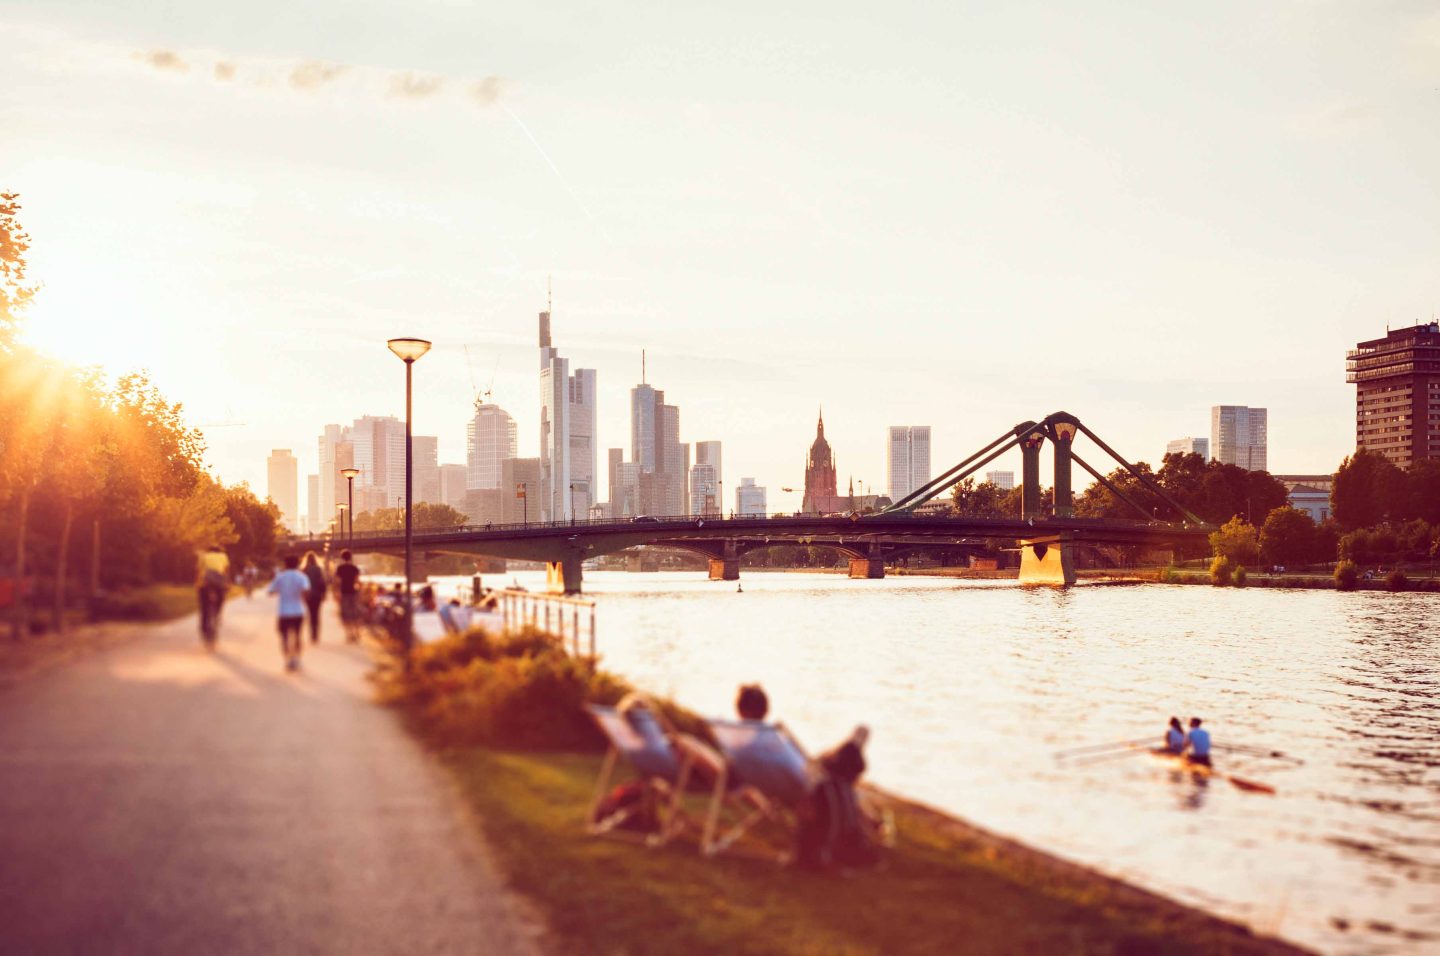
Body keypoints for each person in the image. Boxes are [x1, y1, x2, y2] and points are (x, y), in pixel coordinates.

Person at [266, 554, 310, 672]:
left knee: (284, 637)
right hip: (298, 611)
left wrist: (281, 591)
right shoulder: (302, 577)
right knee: (298, 636)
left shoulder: (280, 577)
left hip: (284, 612)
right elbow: (306, 591)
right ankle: (297, 659)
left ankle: (287, 660)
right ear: (297, 564)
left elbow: (270, 592)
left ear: (285, 564)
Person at [195, 545, 230, 645]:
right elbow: (227, 570)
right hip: (219, 583)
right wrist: (227, 582)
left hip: (205, 584)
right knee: (221, 599)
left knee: (204, 607)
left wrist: (197, 583)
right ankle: (218, 614)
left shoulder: (204, 556)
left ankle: (204, 628)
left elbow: (198, 570)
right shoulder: (223, 556)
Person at [333, 550, 363, 644]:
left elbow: (337, 582)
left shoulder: (340, 568)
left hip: (343, 593)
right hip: (353, 592)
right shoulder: (354, 568)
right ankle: (357, 633)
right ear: (351, 557)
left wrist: (336, 593)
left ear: (342, 558)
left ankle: (349, 634)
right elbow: (358, 581)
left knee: (345, 615)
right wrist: (360, 592)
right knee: (355, 613)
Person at [301, 553, 327, 644]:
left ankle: (312, 635)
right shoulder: (318, 569)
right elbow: (322, 582)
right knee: (316, 615)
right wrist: (324, 594)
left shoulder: (304, 570)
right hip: (317, 595)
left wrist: (302, 596)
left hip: (308, 596)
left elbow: (302, 585)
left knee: (310, 614)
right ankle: (316, 635)